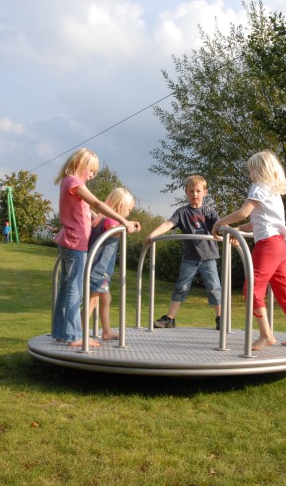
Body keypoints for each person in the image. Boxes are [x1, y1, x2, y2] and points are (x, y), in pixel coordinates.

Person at [211, 150, 286, 351]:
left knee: (251, 289)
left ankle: (266, 335)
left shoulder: (258, 188)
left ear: (260, 170)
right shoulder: (273, 192)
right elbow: (257, 222)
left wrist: (219, 223)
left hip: (268, 246)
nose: (249, 176)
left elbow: (244, 212)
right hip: (280, 246)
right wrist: (237, 230)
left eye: (251, 171)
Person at [52, 148, 139, 348]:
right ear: (82, 165)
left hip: (70, 241)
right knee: (75, 289)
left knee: (66, 288)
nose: (92, 176)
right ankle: (74, 335)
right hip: (76, 243)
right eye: (91, 171)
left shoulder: (69, 183)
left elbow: (88, 210)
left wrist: (108, 219)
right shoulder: (75, 182)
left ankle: (61, 331)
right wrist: (123, 220)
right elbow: (97, 202)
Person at [145, 175, 223, 330]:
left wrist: (231, 236)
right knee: (181, 286)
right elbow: (168, 224)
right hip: (190, 258)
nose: (195, 194)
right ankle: (170, 318)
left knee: (214, 287)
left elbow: (221, 227)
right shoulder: (182, 212)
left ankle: (221, 318)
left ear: (205, 192)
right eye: (191, 191)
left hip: (208, 257)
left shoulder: (209, 212)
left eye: (198, 191)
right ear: (186, 192)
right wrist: (153, 234)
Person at [87, 188, 140, 341]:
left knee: (106, 299)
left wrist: (128, 224)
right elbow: (113, 230)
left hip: (99, 268)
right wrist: (127, 226)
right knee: (93, 300)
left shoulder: (101, 217)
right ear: (121, 205)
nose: (129, 214)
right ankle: (80, 333)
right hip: (99, 269)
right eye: (129, 209)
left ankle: (107, 331)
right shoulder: (110, 220)